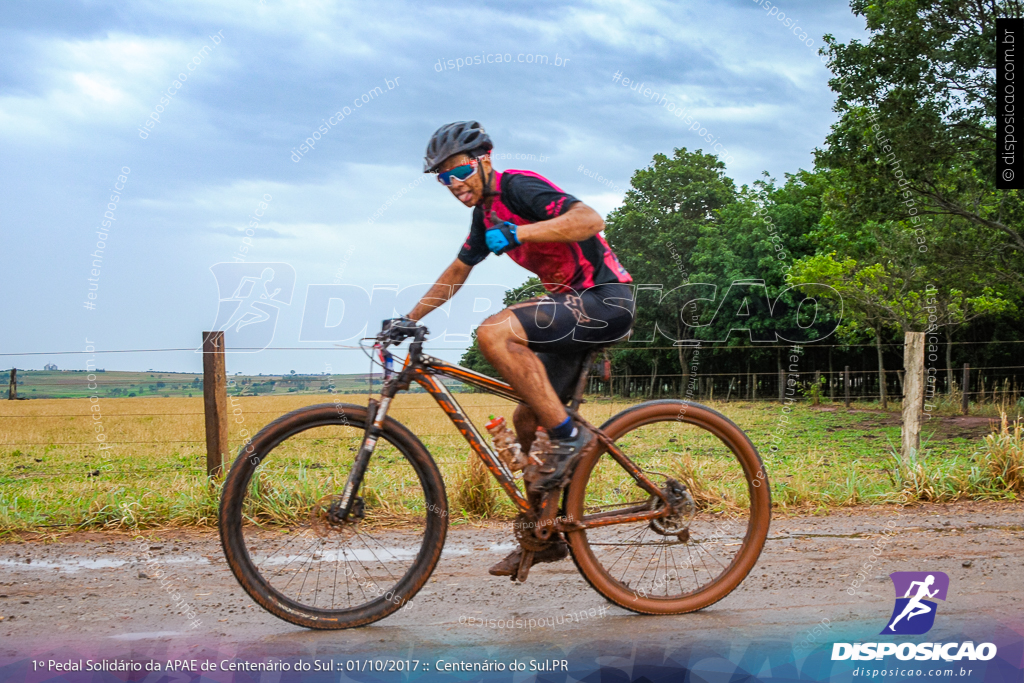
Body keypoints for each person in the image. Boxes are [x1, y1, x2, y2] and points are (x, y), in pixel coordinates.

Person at [392, 121, 635, 577]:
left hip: (604, 300)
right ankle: (548, 534)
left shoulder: (519, 187)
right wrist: (410, 318)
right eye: (443, 178)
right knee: (527, 419)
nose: (453, 184)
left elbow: (590, 221)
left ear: (484, 159)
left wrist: (521, 234)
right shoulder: (483, 218)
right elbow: (458, 271)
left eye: (459, 171)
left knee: (494, 332)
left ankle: (569, 437)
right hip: (572, 308)